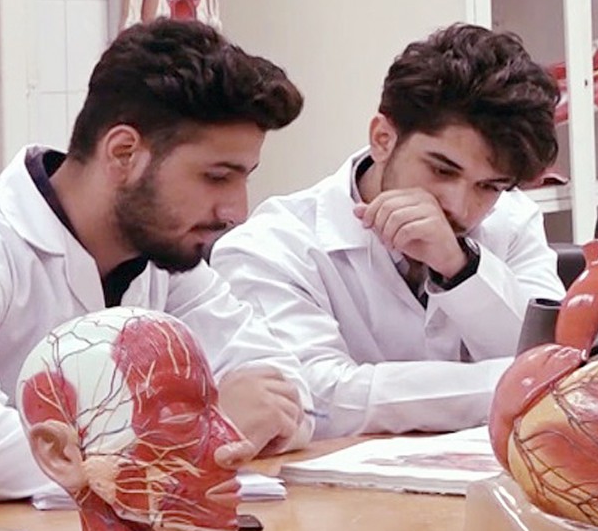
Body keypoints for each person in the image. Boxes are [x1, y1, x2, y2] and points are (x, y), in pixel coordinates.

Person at [0, 18, 313, 509]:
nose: (236, 210)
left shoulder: (166, 260)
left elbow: (286, 395)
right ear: (124, 153)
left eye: (244, 178)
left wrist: (218, 424)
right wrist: (188, 433)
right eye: (216, 177)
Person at [211, 24, 564, 438]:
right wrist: (517, 384)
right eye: (442, 170)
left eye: (489, 186)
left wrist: (460, 267)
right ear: (382, 139)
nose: (459, 206)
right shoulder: (271, 246)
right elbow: (316, 399)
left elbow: (549, 349)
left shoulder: (514, 219)